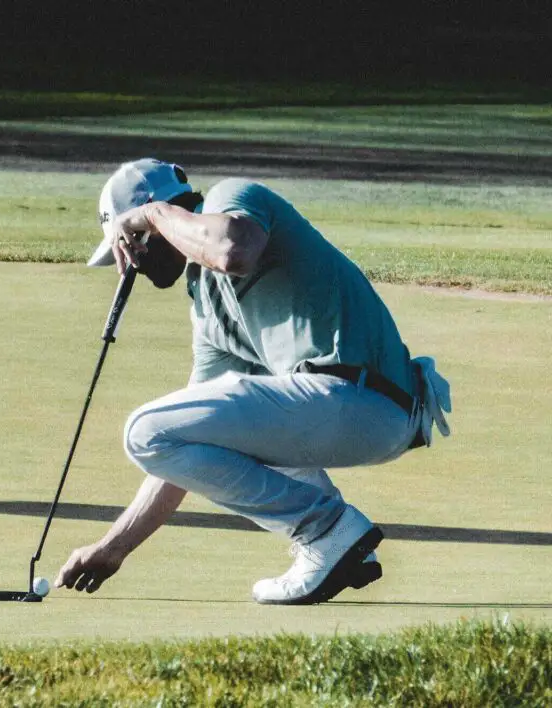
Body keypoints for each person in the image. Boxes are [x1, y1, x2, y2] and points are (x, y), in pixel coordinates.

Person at [55, 158, 452, 605]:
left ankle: (325, 531)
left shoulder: (232, 198)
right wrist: (113, 548)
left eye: (129, 245)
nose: (131, 265)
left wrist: (151, 216)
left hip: (355, 395)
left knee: (141, 431)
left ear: (152, 218)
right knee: (167, 434)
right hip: (354, 410)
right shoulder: (207, 306)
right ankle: (344, 551)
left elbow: (232, 252)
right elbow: (186, 443)